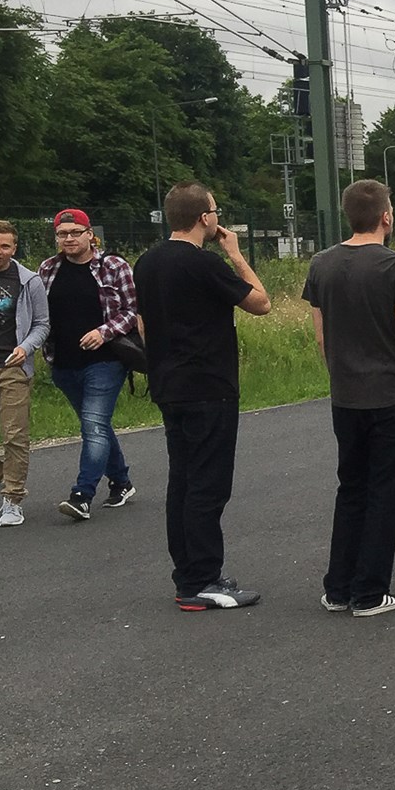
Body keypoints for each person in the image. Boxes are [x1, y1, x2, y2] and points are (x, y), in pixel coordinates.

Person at [134, 183, 272, 609]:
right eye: (215, 211)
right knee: (208, 486)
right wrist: (236, 255)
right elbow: (261, 303)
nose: (217, 218)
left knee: (183, 481)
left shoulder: (147, 262)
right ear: (204, 218)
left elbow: (142, 323)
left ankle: (188, 573)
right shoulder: (204, 262)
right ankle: (203, 580)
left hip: (168, 383)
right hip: (208, 386)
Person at [302, 179, 395, 616]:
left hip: (346, 395)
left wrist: (340, 373)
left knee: (351, 489)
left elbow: (322, 337)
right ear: (386, 217)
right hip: (392, 394)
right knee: (386, 493)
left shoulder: (321, 264)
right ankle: (371, 591)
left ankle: (338, 586)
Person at [38, 208, 139, 521]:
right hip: (63, 362)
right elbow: (39, 314)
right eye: (62, 234)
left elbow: (132, 311)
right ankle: (121, 482)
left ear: (89, 234)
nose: (69, 239)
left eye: (75, 232)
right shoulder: (48, 269)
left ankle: (82, 495)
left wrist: (103, 332)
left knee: (93, 425)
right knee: (97, 425)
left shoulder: (113, 266)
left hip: (105, 361)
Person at [0, 221, 50, 526]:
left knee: (14, 435)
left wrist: (26, 347)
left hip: (13, 366)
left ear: (14, 248)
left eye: (5, 246)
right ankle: (5, 471)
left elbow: (42, 324)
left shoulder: (29, 281)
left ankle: (13, 499)